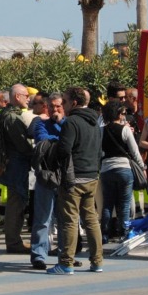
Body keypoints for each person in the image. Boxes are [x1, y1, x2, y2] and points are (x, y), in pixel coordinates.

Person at [47, 87, 103, 274]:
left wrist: (52, 153)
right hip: (92, 175)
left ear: (74, 103)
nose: (63, 104)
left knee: (70, 220)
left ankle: (66, 263)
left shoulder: (71, 122)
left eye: (65, 101)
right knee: (91, 220)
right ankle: (97, 262)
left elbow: (64, 150)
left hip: (73, 177)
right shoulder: (95, 122)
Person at [29, 93, 69, 269]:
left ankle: (65, 254)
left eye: (58, 106)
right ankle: (39, 255)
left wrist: (61, 123)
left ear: (64, 107)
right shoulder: (40, 124)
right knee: (43, 218)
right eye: (51, 106)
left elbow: (72, 142)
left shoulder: (69, 124)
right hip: (46, 175)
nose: (55, 110)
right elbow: (42, 140)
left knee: (65, 219)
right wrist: (60, 140)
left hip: (65, 176)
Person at [100, 101, 145, 242]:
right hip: (124, 168)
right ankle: (124, 233)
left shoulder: (101, 130)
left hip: (106, 169)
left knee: (107, 204)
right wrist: (142, 167)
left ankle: (104, 235)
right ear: (118, 114)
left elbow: (98, 152)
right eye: (123, 113)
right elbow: (134, 151)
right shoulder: (124, 129)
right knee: (124, 204)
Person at [0, 84, 32, 254]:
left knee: (15, 202)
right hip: (16, 165)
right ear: (17, 97)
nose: (28, 98)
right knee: (16, 203)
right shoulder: (11, 117)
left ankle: (14, 240)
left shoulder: (7, 115)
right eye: (26, 95)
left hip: (13, 164)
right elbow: (22, 145)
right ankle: (14, 241)